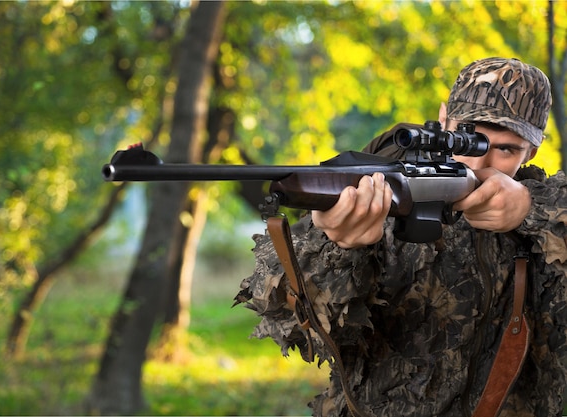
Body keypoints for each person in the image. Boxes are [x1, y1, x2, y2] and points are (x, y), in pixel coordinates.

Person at [235, 57, 567, 417]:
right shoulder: (381, 186)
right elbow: (295, 326)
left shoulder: (539, 217)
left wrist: (532, 208)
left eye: (506, 149)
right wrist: (341, 248)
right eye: (469, 137)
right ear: (443, 121)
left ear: (532, 151)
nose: (476, 162)